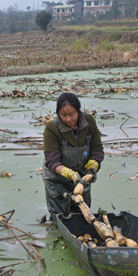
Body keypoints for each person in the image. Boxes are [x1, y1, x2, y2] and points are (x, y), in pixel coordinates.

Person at [42, 92, 104, 220]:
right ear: (58, 114)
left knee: (82, 216)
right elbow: (52, 161)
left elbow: (97, 149)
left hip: (82, 178)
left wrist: (93, 164)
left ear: (78, 111)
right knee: (61, 218)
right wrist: (68, 173)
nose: (68, 119)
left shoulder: (89, 122)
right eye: (63, 115)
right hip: (57, 180)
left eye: (72, 114)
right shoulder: (52, 128)